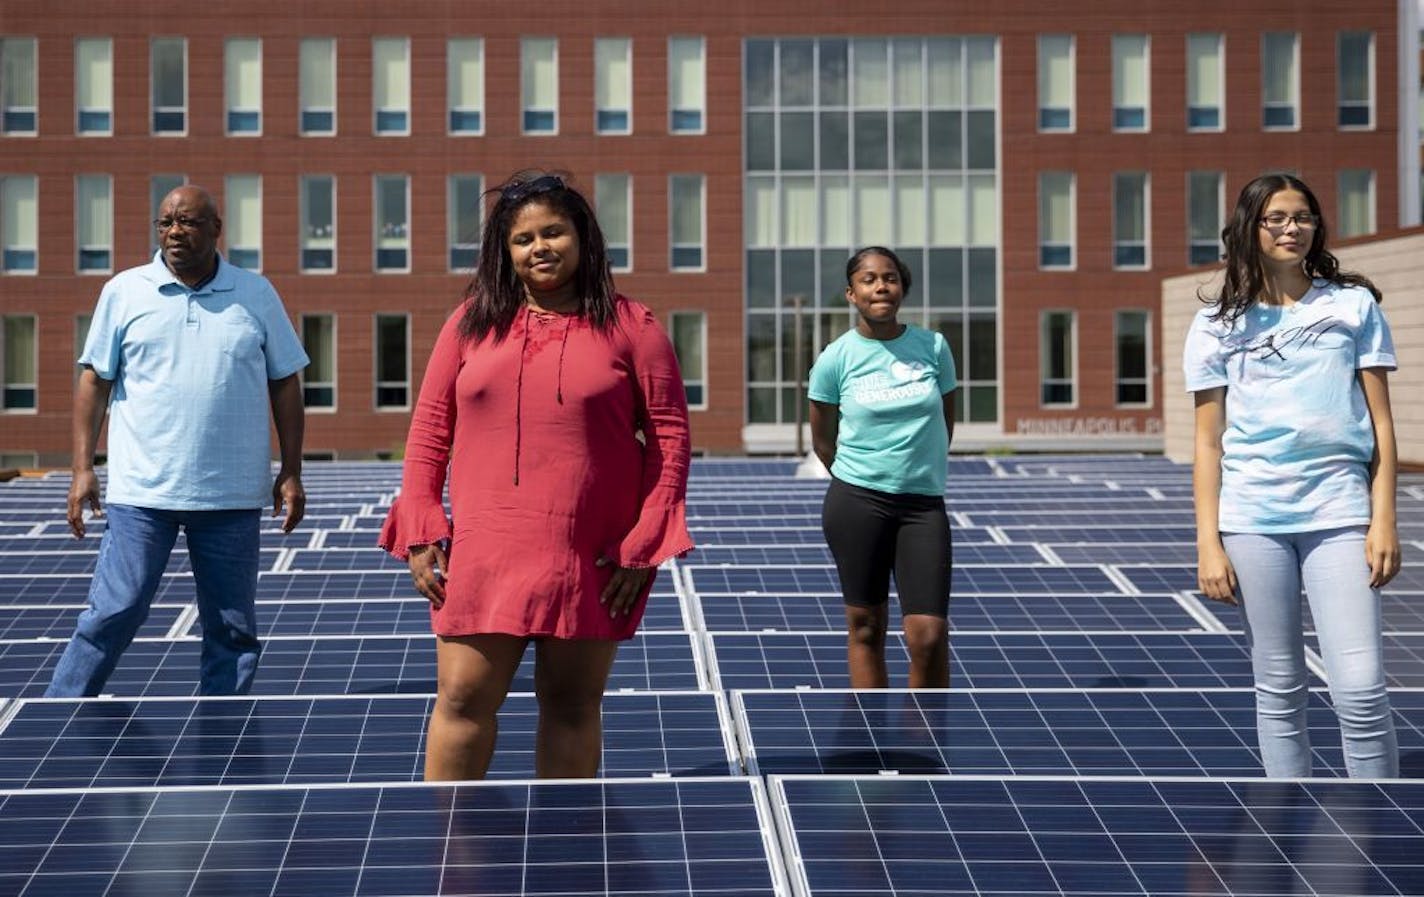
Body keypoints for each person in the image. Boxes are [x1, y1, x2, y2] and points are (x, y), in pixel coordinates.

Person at [379, 171, 692, 780]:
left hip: (593, 554)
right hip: (484, 549)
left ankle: (563, 850)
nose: (540, 247)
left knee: (573, 706)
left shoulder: (634, 326)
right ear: (506, 250)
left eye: (554, 232)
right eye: (523, 239)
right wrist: (420, 528)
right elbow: (429, 430)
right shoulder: (471, 322)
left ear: (584, 238)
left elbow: (670, 439)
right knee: (464, 699)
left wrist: (644, 545)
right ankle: (452, 853)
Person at [49, 184, 309, 697]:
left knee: (231, 630)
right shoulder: (124, 291)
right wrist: (82, 468)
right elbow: (94, 380)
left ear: (215, 229)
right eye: (165, 222)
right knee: (114, 610)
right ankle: (57, 712)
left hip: (231, 496)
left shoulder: (255, 294)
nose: (174, 232)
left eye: (187, 222)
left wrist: (292, 469)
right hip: (142, 494)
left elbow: (285, 381)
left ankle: (222, 739)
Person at [1187, 172, 1400, 777]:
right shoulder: (1215, 325)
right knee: (1279, 689)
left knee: (1360, 690)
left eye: (1302, 216)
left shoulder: (1352, 305)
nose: (1291, 228)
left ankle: (1382, 827)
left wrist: (1383, 519)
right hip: (1253, 519)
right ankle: (1290, 817)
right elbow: (1208, 443)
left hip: (1340, 512)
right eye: (1276, 218)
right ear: (1249, 229)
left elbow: (1382, 427)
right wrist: (1209, 542)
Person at [808, 246, 956, 689]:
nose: (880, 287)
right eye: (869, 279)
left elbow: (945, 424)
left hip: (922, 507)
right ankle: (873, 745)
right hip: (857, 503)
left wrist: (912, 469)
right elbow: (822, 440)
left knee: (928, 636)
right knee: (867, 627)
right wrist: (863, 477)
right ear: (851, 293)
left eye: (889, 278)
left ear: (902, 288)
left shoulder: (933, 347)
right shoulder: (836, 357)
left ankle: (926, 748)